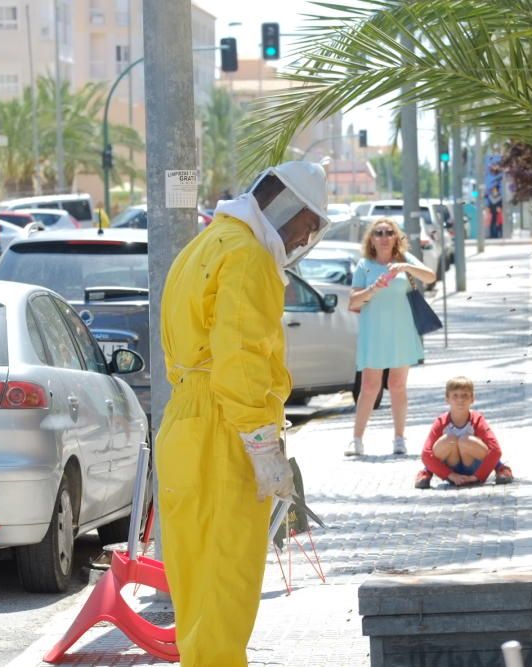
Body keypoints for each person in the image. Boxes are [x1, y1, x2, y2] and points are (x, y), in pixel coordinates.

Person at [155, 161, 330, 666]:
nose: (303, 238)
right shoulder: (249, 256)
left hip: (186, 423)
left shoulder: (204, 245)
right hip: (222, 428)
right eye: (305, 226)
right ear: (286, 208)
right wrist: (261, 445)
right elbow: (242, 359)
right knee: (226, 585)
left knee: (197, 587)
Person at [346, 218, 436, 456]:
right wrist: (373, 289)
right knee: (369, 387)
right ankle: (356, 440)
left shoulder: (405, 260)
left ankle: (399, 439)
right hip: (373, 333)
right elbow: (354, 301)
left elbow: (430, 277)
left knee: (397, 385)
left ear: (396, 237)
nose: (384, 237)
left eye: (389, 232)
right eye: (378, 233)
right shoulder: (364, 266)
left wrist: (405, 268)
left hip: (401, 332)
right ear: (371, 239)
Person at [415, 376, 514, 489]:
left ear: (472, 398)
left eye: (465, 395)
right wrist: (450, 475)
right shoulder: (441, 422)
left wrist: (476, 477)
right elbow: (426, 454)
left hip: (474, 467)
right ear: (447, 399)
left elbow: (495, 450)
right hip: (452, 470)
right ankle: (427, 472)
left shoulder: (477, 420)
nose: (460, 400)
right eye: (455, 396)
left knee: (465, 440)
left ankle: (500, 468)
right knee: (449, 440)